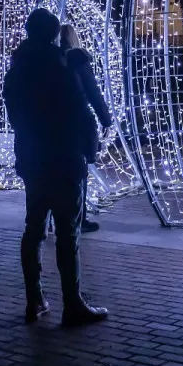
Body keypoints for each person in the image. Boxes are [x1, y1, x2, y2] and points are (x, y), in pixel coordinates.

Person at [3, 8, 108, 326]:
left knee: (33, 230)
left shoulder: (17, 69)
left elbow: (14, 114)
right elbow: (80, 111)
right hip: (63, 157)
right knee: (67, 233)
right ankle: (72, 302)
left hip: (33, 158)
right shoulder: (62, 65)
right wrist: (90, 149)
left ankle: (34, 300)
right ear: (52, 33)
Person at [59, 24, 113, 234]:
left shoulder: (51, 61)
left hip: (54, 125)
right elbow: (92, 92)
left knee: (58, 173)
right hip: (78, 123)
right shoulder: (78, 60)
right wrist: (106, 119)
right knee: (79, 173)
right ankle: (78, 218)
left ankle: (58, 219)